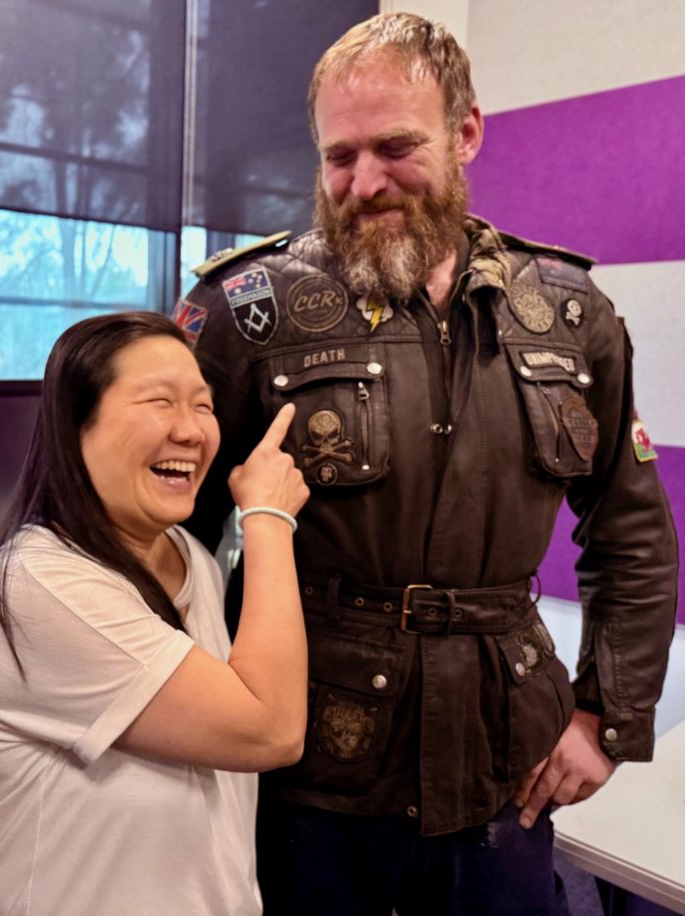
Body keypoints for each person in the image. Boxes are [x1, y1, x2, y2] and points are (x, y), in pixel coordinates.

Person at [180, 13, 678, 915]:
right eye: (339, 156)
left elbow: (634, 536)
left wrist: (605, 719)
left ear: (466, 133)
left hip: (504, 762)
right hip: (309, 770)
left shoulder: (569, 316)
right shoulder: (250, 311)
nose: (364, 183)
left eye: (396, 147)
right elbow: (166, 539)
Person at [0, 311, 310, 915]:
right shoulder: (41, 585)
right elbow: (270, 728)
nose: (193, 431)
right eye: (160, 402)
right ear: (75, 425)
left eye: (203, 405)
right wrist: (269, 518)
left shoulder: (186, 553)